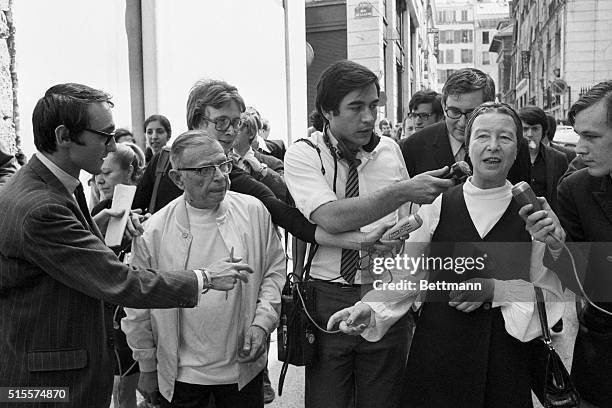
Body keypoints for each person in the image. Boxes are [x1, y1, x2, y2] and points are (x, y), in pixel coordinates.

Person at [0, 83, 253, 408]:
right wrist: (205, 278)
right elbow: (120, 281)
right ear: (64, 135)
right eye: (104, 136)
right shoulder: (41, 207)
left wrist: (96, 230)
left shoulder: (45, 184)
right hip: (48, 387)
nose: (112, 145)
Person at [329, 102, 565, 408]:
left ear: (518, 147)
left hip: (506, 359)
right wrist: (370, 308)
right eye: (482, 136)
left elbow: (551, 295)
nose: (493, 146)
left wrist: (496, 290)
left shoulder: (533, 214)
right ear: (467, 145)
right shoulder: (437, 206)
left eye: (504, 138)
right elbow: (408, 275)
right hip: (439, 351)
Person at [284, 59, 455, 408]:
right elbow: (329, 217)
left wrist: (406, 225)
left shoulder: (390, 151)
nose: (368, 117)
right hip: (327, 294)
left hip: (384, 291)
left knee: (384, 397)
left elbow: (411, 220)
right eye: (356, 107)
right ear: (327, 111)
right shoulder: (304, 153)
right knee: (327, 399)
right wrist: (402, 191)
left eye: (373, 106)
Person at [123, 131, 285, 408]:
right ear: (177, 178)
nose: (220, 176)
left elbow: (274, 271)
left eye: (223, 165)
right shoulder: (154, 231)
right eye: (203, 170)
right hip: (182, 376)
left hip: (243, 371)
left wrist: (262, 323)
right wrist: (147, 366)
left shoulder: (253, 211)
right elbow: (139, 308)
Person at [132, 78, 392, 250]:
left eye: (236, 123)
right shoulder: (162, 162)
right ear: (198, 121)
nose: (230, 131)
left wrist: (360, 241)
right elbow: (133, 211)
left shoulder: (234, 175)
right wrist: (133, 220)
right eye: (221, 121)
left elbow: (287, 217)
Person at [527, 80, 612, 407]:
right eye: (578, 135)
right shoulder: (575, 190)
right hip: (603, 358)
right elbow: (581, 284)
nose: (579, 148)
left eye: (591, 136)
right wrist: (558, 246)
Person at [399, 68, 531, 185]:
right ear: (444, 106)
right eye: (454, 112)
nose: (462, 123)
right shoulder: (412, 147)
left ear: (490, 107)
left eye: (472, 113)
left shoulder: (515, 147)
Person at [91, 141, 146, 408]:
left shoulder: (146, 210)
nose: (100, 180)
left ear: (131, 171)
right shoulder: (98, 212)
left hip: (142, 304)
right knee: (120, 387)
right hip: (110, 311)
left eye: (107, 173)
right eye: (96, 174)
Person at [518, 106, 568, 212]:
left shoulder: (558, 159)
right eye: (525, 129)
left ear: (543, 131)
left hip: (547, 220)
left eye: (535, 129)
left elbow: (562, 197)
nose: (530, 134)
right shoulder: (510, 157)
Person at [232, 110, 286, 201]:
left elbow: (285, 191)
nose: (231, 132)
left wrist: (262, 170)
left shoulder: (273, 163)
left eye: (237, 129)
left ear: (251, 133)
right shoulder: (221, 161)